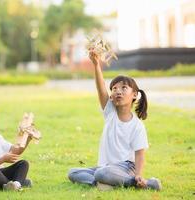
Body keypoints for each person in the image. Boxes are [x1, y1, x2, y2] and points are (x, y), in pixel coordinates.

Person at [68, 48, 162, 191]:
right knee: (73, 173)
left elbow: (140, 154)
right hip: (105, 167)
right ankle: (104, 183)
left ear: (134, 95)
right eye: (115, 88)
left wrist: (139, 175)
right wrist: (96, 64)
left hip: (126, 167)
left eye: (124, 88)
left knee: (102, 173)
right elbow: (101, 90)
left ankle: (145, 183)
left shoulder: (137, 126)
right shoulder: (110, 113)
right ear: (111, 96)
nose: (118, 91)